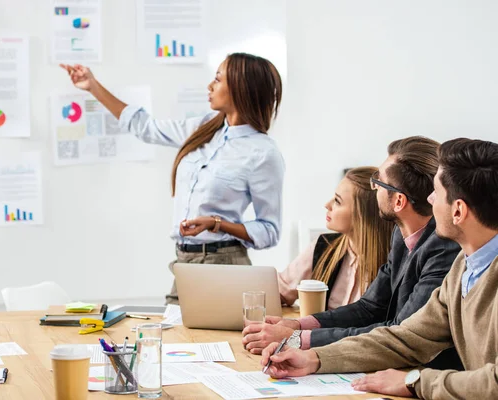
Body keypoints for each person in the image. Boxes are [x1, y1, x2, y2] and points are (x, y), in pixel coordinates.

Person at [260, 138, 498, 400]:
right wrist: (314, 358)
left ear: (458, 211)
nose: (429, 199)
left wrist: (414, 382)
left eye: (437, 193)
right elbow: (406, 338)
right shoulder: (464, 268)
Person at [61, 53, 284, 304]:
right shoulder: (203, 128)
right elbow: (145, 127)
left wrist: (216, 223)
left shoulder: (263, 153)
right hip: (184, 262)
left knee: (217, 343)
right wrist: (92, 85)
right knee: (173, 339)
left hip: (225, 265)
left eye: (218, 80)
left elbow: (269, 230)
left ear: (241, 88)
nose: (210, 86)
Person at [277, 166, 393, 309]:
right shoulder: (323, 246)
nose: (327, 205)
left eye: (337, 201)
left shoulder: (393, 263)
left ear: (362, 215)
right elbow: (282, 291)